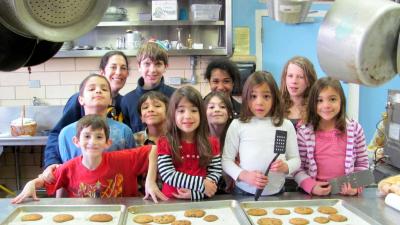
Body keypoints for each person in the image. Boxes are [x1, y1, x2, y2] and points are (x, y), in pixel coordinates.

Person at [12, 115, 167, 203]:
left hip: (125, 214)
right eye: (86, 136)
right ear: (76, 141)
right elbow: (44, 180)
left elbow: (152, 150)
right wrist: (31, 184)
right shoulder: (69, 168)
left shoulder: (122, 159)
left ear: (108, 143)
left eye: (99, 137)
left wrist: (150, 182)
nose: (93, 141)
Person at [44, 51, 130, 168]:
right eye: (113, 67)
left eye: (123, 68)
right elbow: (59, 134)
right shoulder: (77, 102)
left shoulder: (124, 103)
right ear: (102, 71)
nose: (119, 72)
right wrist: (52, 163)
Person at [222, 71, 300, 196]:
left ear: (274, 98)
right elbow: (226, 161)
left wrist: (286, 166)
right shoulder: (238, 125)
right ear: (246, 97)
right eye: (253, 96)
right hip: (243, 191)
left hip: (277, 192)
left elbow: (296, 159)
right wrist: (245, 176)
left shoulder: (285, 125)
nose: (259, 102)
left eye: (266, 96)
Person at [293, 77, 369, 196]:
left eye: (332, 99)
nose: (326, 105)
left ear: (341, 101)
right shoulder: (304, 132)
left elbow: (363, 165)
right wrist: (311, 186)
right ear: (313, 103)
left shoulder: (355, 129)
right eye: (320, 100)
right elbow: (297, 168)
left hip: (346, 197)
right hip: (314, 196)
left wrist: (356, 187)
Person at [157, 86, 222, 200]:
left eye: (194, 110)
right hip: (170, 200)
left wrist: (198, 193)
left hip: (200, 198)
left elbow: (215, 171)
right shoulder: (165, 142)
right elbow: (168, 174)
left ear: (201, 114)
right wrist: (201, 184)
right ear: (173, 114)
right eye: (181, 111)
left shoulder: (212, 142)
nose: (187, 116)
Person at [58, 74, 135, 163]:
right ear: (81, 99)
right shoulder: (66, 133)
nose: (98, 91)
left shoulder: (124, 131)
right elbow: (67, 169)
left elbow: (130, 165)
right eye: (91, 89)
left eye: (104, 89)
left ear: (110, 100)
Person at [121, 42, 175, 133]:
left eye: (158, 64)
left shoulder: (175, 96)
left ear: (165, 67)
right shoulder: (127, 101)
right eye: (147, 64)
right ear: (139, 66)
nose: (152, 70)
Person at [204, 91, 234, 193]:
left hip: (233, 192)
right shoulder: (198, 138)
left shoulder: (236, 137)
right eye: (211, 107)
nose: (217, 110)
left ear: (230, 113)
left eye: (222, 107)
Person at [280, 56, 317, 129]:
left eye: (300, 77)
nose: (294, 81)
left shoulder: (316, 107)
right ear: (285, 79)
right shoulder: (276, 106)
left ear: (309, 81)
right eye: (290, 76)